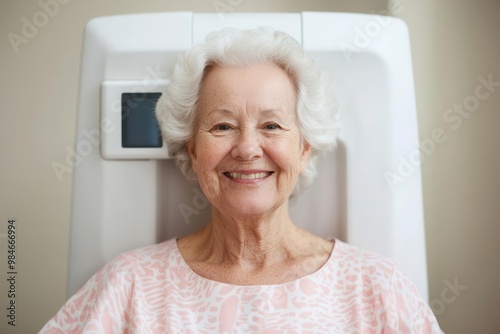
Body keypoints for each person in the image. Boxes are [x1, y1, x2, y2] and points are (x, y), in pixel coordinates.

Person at [40, 27, 443, 333]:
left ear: (304, 149)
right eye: (222, 126)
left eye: (271, 125)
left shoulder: (377, 288)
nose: (248, 148)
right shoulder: (129, 286)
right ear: (193, 150)